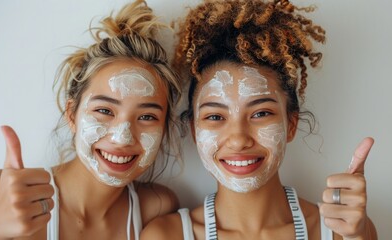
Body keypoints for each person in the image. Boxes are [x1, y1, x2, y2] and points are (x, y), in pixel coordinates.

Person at [141, 0, 377, 239]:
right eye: (215, 116)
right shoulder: (165, 235)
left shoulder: (339, 231)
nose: (238, 139)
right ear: (193, 130)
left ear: (291, 124)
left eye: (260, 113)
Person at [0, 0, 182, 239]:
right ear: (72, 114)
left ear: (164, 129)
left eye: (146, 116)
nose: (122, 137)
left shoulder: (156, 208)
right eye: (104, 111)